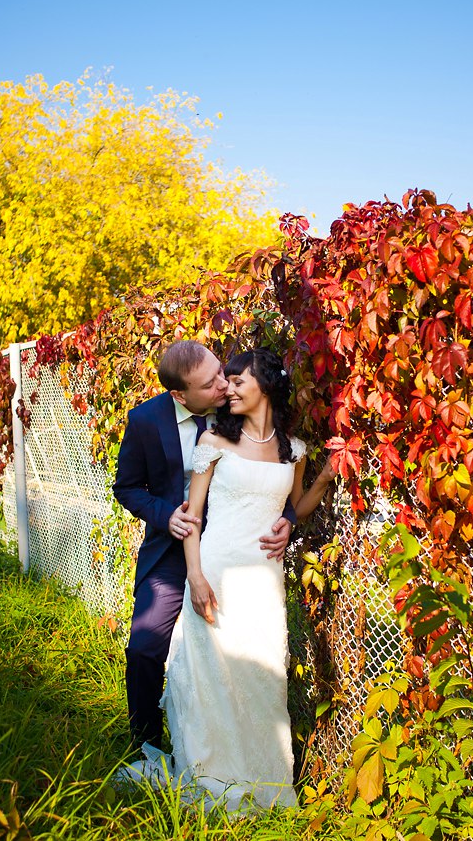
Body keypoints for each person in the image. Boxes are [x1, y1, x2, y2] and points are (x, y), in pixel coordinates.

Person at [159, 348, 336, 812]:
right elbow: (192, 518)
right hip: (215, 573)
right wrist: (194, 576)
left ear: (267, 386)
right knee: (214, 680)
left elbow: (293, 508)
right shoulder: (214, 442)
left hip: (263, 582)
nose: (228, 389)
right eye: (227, 381)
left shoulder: (293, 451)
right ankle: (211, 777)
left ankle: (267, 788)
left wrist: (317, 490)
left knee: (262, 680)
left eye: (238, 381)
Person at [113, 341, 294, 752]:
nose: (222, 384)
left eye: (221, 372)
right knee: (144, 650)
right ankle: (147, 746)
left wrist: (290, 519)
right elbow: (126, 487)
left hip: (234, 555)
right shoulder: (145, 421)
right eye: (210, 381)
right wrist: (166, 516)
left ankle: (230, 748)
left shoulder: (237, 405)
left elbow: (273, 471)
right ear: (180, 394)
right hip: (173, 553)